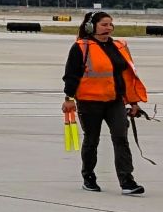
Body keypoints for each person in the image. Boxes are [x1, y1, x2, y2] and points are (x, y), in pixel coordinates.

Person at [63, 11, 147, 196]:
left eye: (110, 24)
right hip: (89, 102)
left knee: (121, 138)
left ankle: (127, 181)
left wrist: (133, 102)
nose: (108, 28)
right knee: (92, 140)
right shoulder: (81, 47)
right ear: (91, 27)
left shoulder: (118, 46)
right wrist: (68, 98)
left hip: (114, 101)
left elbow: (126, 77)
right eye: (104, 24)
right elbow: (71, 75)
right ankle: (89, 177)